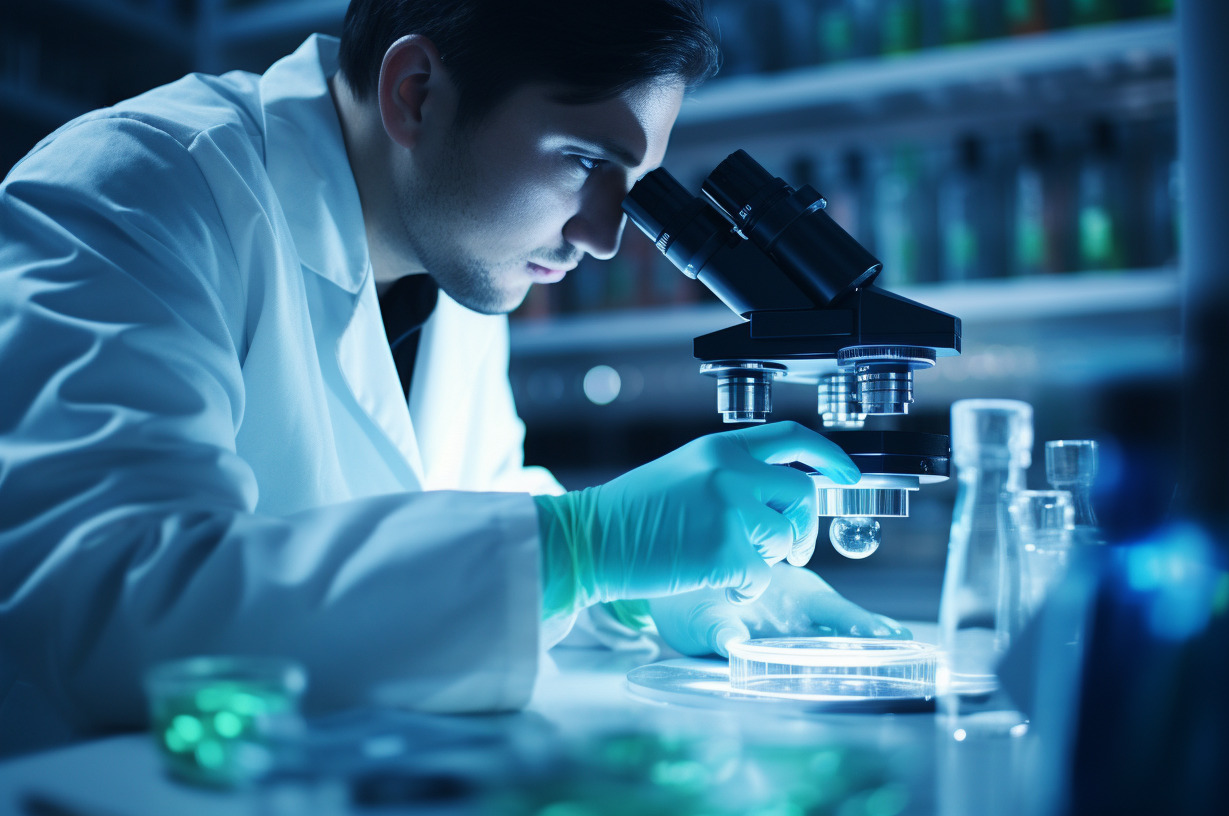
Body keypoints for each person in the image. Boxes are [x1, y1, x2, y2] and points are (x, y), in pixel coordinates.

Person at [0, 0, 907, 756]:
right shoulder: (136, 189)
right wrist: (583, 546)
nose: (601, 236)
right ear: (417, 93)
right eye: (587, 161)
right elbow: (108, 605)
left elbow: (462, 513)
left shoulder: (460, 267)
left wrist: (630, 591)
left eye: (633, 185)